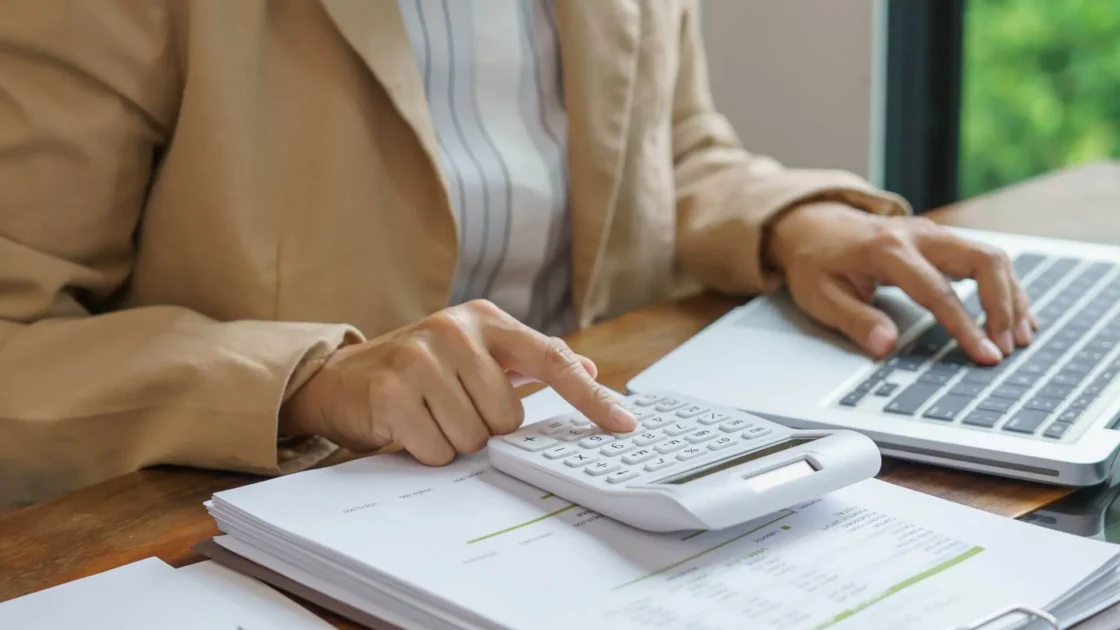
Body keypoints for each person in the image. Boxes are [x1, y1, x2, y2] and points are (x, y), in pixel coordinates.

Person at [0, 0, 1034, 512]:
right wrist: (308, 382)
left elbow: (668, 152)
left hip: (609, 485)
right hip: (279, 513)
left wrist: (795, 224)